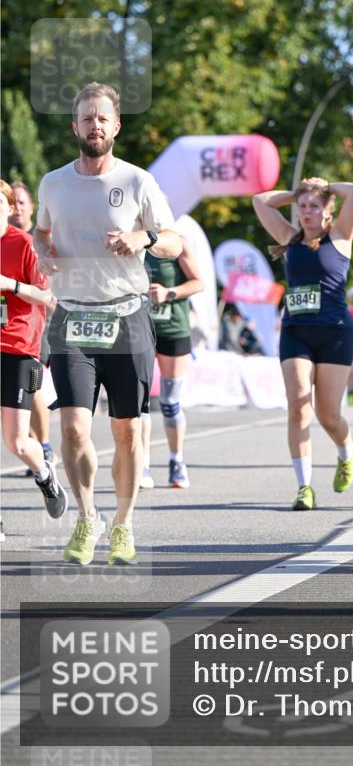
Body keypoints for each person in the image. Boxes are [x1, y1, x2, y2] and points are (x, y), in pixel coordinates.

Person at [34, 82, 181, 566]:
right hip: (73, 315)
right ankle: (86, 516)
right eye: (86, 118)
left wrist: (144, 236)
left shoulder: (138, 181)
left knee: (127, 430)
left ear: (115, 127)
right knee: (74, 428)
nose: (94, 125)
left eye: (103, 118)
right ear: (73, 126)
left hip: (126, 314)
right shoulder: (54, 183)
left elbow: (175, 243)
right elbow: (40, 230)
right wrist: (43, 252)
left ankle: (124, 523)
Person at [252, 177, 353, 511]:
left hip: (334, 333)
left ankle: (347, 450)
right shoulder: (289, 237)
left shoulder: (341, 237)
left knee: (328, 415)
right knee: (299, 404)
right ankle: (304, 486)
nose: (306, 212)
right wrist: (296, 194)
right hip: (296, 330)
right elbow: (260, 200)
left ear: (328, 211)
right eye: (302, 207)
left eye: (315, 206)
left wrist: (325, 186)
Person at [0, 180, 68, 523]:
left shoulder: (23, 244)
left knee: (17, 442)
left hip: (17, 348)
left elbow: (46, 297)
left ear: (10, 208)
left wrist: (9, 284)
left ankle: (45, 474)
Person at [140, 235, 204, 490]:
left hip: (174, 330)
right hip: (139, 330)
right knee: (138, 403)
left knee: (169, 402)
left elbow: (199, 282)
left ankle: (176, 461)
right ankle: (142, 465)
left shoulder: (178, 242)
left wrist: (169, 293)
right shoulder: (131, 242)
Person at [10, 181, 57, 475]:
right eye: (11, 202)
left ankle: (45, 445)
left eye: (21, 203)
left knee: (33, 386)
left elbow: (49, 289)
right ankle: (30, 443)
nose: (16, 209)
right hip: (7, 325)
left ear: (30, 208)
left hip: (35, 325)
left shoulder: (35, 241)